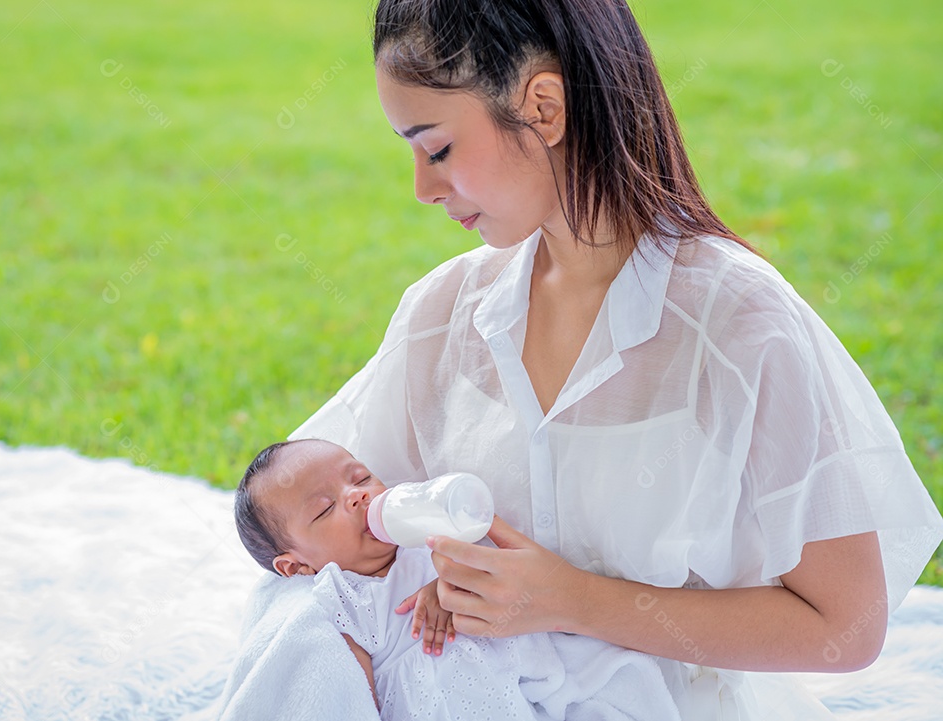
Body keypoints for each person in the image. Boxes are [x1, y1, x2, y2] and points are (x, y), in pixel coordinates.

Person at [281, 0, 943, 718]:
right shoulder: (442, 316)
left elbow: (845, 627)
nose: (422, 187)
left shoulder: (736, 327)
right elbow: (307, 536)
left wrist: (573, 600)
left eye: (435, 147)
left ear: (542, 107)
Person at [233, 437, 683, 720]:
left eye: (361, 477)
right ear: (297, 566)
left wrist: (448, 583)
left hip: (514, 685)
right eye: (325, 508)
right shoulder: (342, 596)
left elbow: (494, 566)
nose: (358, 497)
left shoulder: (424, 533)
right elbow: (347, 683)